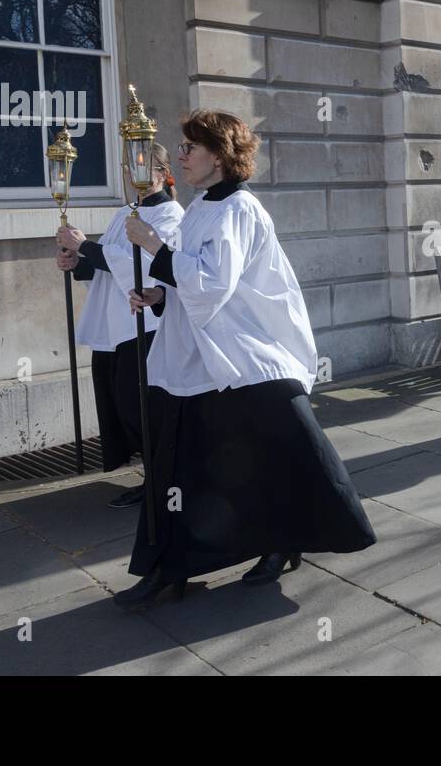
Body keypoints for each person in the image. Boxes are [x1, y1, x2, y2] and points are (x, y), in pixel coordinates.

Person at [115, 110, 375, 609]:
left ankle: (282, 541)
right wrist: (161, 297)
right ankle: (172, 564)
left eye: (192, 147)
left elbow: (213, 285)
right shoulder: (200, 207)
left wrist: (153, 246)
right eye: (184, 146)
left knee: (278, 459)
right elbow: (205, 287)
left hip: (252, 359)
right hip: (206, 361)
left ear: (221, 154)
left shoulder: (239, 208)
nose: (183, 155)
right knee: (190, 469)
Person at [56, 144, 184, 508]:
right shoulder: (125, 214)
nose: (132, 175)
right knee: (118, 402)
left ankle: (167, 482)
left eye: (141, 166)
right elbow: (107, 266)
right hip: (113, 326)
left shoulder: (171, 215)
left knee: (139, 405)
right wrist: (77, 262)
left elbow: (143, 264)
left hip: (142, 324)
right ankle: (152, 475)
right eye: (128, 168)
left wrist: (86, 247)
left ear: (162, 172)